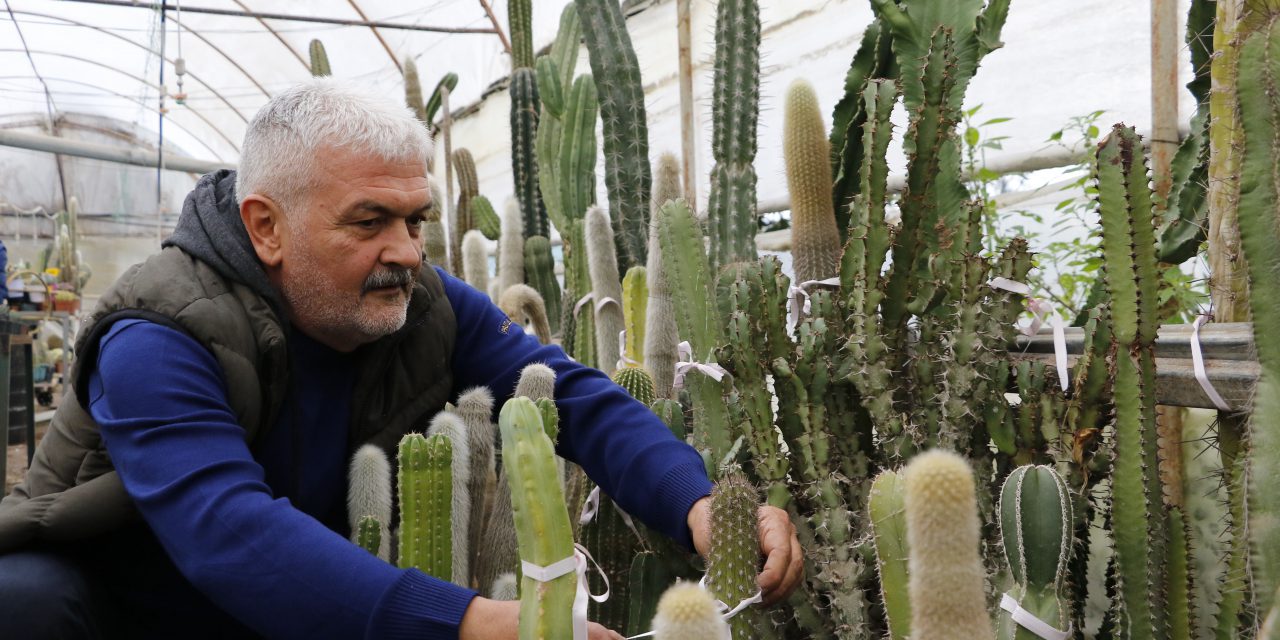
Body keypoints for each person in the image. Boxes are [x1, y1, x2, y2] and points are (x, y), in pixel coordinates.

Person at [0, 79, 802, 639]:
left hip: (301, 604)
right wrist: (461, 622)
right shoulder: (161, 330)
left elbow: (574, 396)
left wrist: (699, 505)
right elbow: (227, 532)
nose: (407, 252)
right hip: (132, 607)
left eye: (416, 220)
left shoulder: (425, 305)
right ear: (266, 226)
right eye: (369, 221)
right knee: (24, 603)